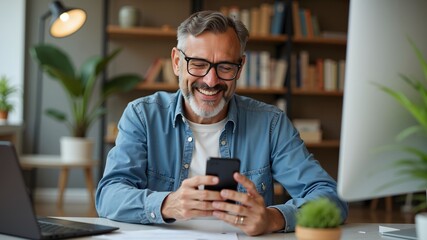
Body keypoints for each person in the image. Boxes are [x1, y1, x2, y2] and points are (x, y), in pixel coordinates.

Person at [95, 10, 348, 236]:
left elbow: (330, 198)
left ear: (240, 67)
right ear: (176, 62)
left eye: (225, 67)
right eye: (198, 64)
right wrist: (167, 204)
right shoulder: (142, 115)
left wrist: (273, 218)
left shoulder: (271, 123)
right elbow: (109, 195)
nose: (211, 80)